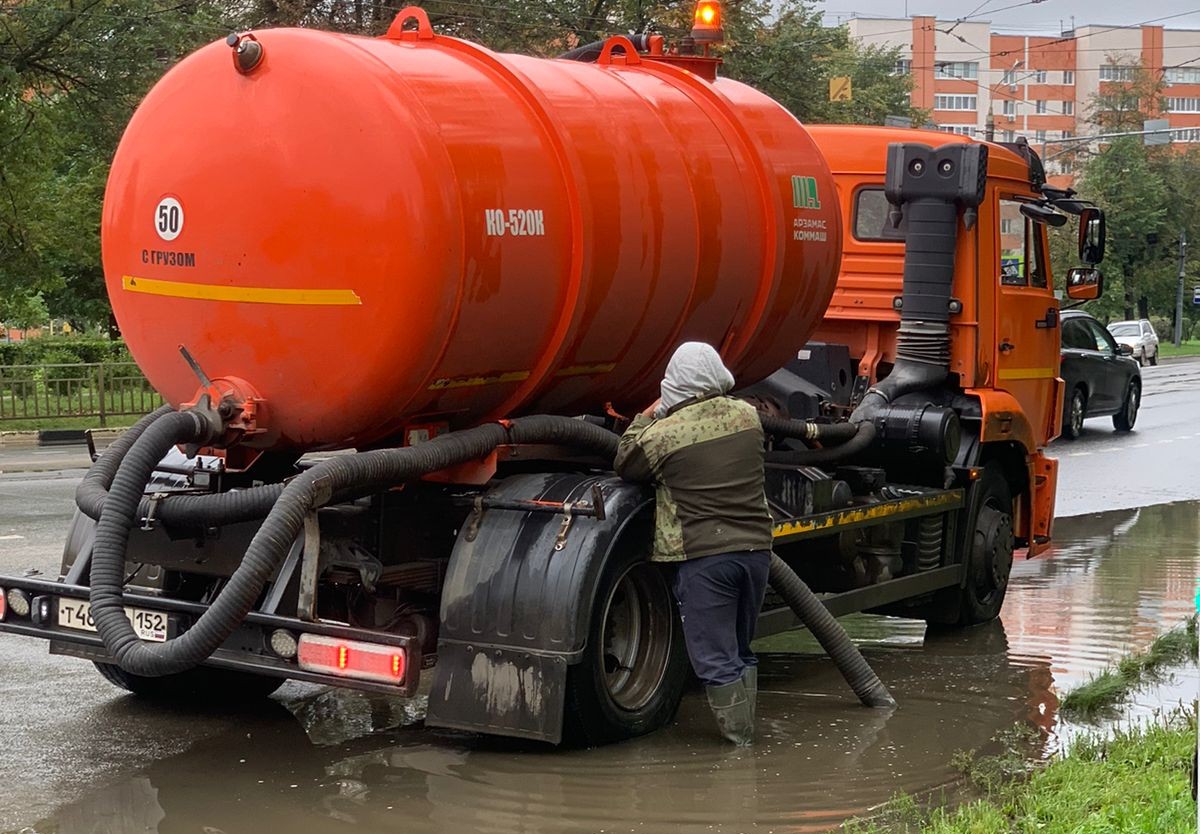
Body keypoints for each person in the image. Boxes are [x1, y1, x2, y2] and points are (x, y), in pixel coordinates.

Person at [614, 341, 774, 746]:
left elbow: (626, 461)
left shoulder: (666, 435)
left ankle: (741, 752)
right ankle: (748, 738)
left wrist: (648, 414)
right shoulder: (748, 417)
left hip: (705, 558)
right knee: (739, 650)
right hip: (755, 553)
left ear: (674, 384)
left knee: (714, 660)